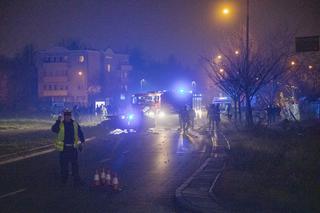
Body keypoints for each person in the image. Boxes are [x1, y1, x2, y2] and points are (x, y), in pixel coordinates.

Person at [51, 109, 85, 187]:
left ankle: (76, 180)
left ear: (70, 116)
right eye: (66, 116)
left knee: (75, 165)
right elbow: (54, 129)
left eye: (68, 116)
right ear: (64, 116)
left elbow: (80, 133)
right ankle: (64, 180)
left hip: (73, 148)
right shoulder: (61, 124)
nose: (67, 117)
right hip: (64, 149)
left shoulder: (75, 124)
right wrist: (58, 121)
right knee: (64, 166)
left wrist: (82, 142)